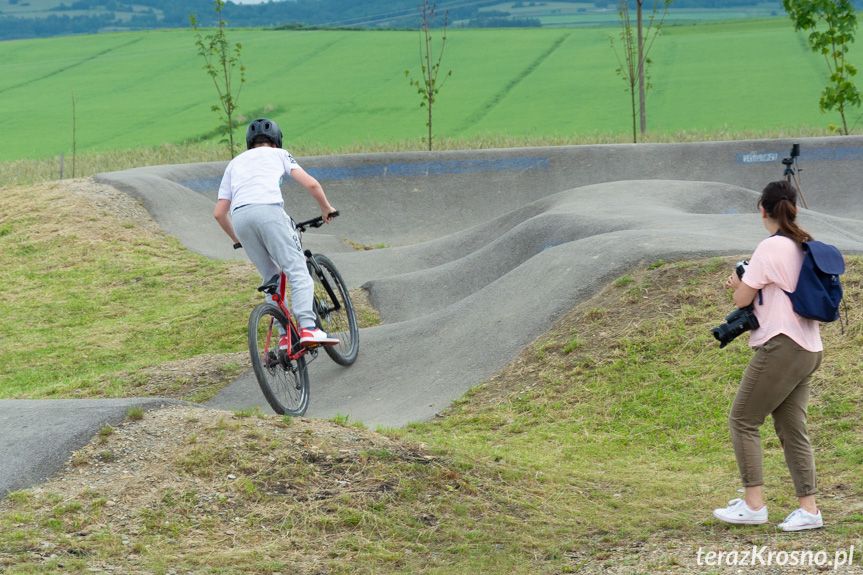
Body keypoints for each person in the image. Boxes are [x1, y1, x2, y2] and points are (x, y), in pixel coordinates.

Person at [712, 180, 824, 532]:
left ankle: (753, 505)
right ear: (792, 208)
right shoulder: (802, 245)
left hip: (781, 345)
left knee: (743, 420)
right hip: (809, 346)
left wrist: (736, 284)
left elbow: (743, 300)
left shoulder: (770, 247)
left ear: (763, 210)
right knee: (792, 430)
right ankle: (809, 511)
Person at [214, 117, 339, 348]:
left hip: (240, 218)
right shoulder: (279, 154)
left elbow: (220, 213)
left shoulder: (234, 163)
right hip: (269, 212)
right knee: (297, 270)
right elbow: (311, 184)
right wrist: (326, 208)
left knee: (271, 279)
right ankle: (308, 328)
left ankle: (284, 337)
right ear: (277, 140)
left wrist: (236, 239)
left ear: (249, 143)